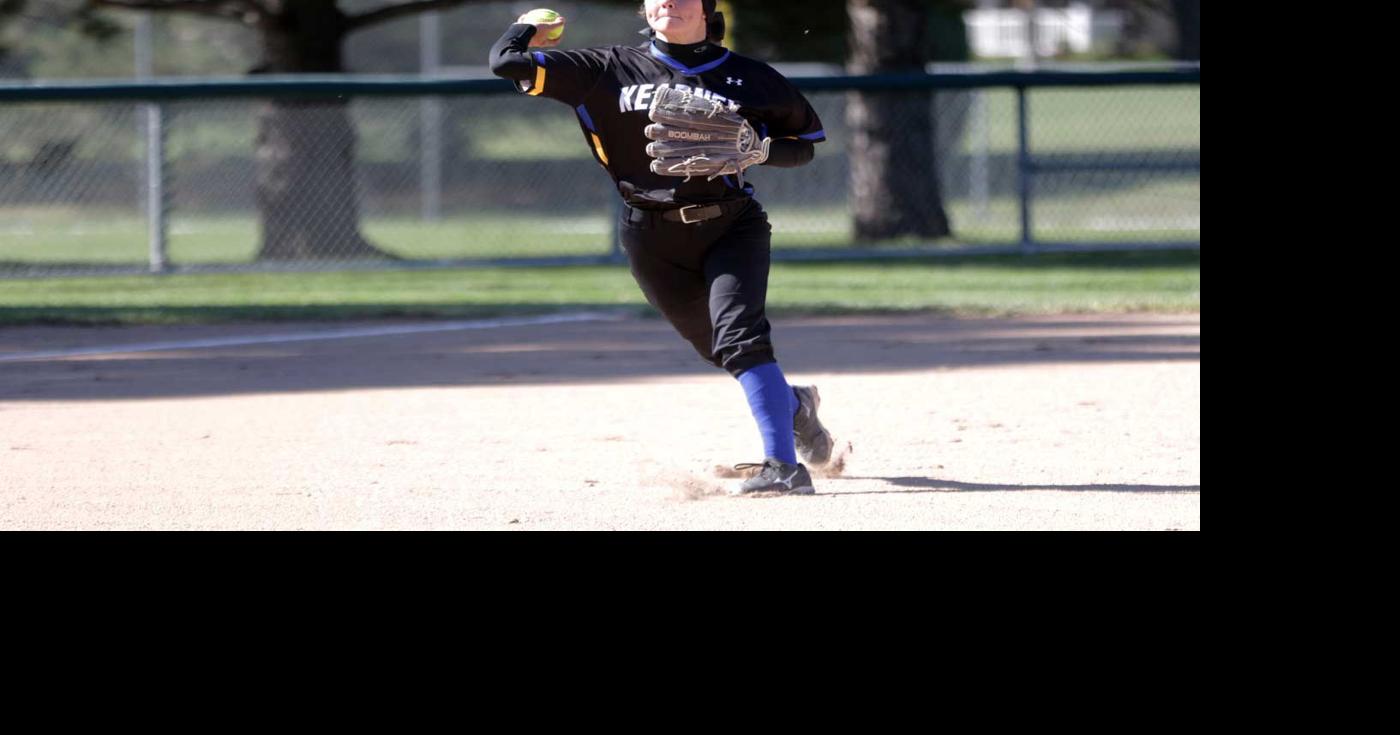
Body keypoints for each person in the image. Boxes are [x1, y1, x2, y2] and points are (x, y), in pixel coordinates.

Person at [489, 0, 836, 495]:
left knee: (742, 340)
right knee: (719, 350)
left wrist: (761, 149)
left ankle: (783, 468)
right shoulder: (604, 69)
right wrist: (527, 26)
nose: (667, 1)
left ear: (707, 8)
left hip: (732, 225)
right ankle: (795, 407)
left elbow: (803, 144)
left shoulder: (750, 77)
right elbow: (506, 62)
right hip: (650, 236)